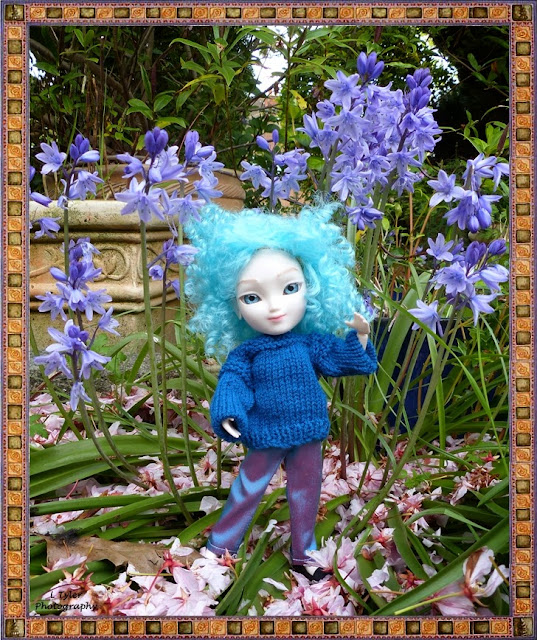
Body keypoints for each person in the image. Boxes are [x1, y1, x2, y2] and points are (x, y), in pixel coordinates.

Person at [185, 203, 378, 580]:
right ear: (232, 307)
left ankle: (304, 552)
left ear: (312, 288)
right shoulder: (246, 354)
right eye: (252, 297)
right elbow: (233, 384)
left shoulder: (311, 344)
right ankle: (221, 546)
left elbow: (346, 360)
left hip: (307, 430)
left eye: (291, 288)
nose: (274, 307)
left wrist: (360, 336)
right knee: (249, 487)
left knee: (306, 491)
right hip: (265, 431)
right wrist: (230, 412)